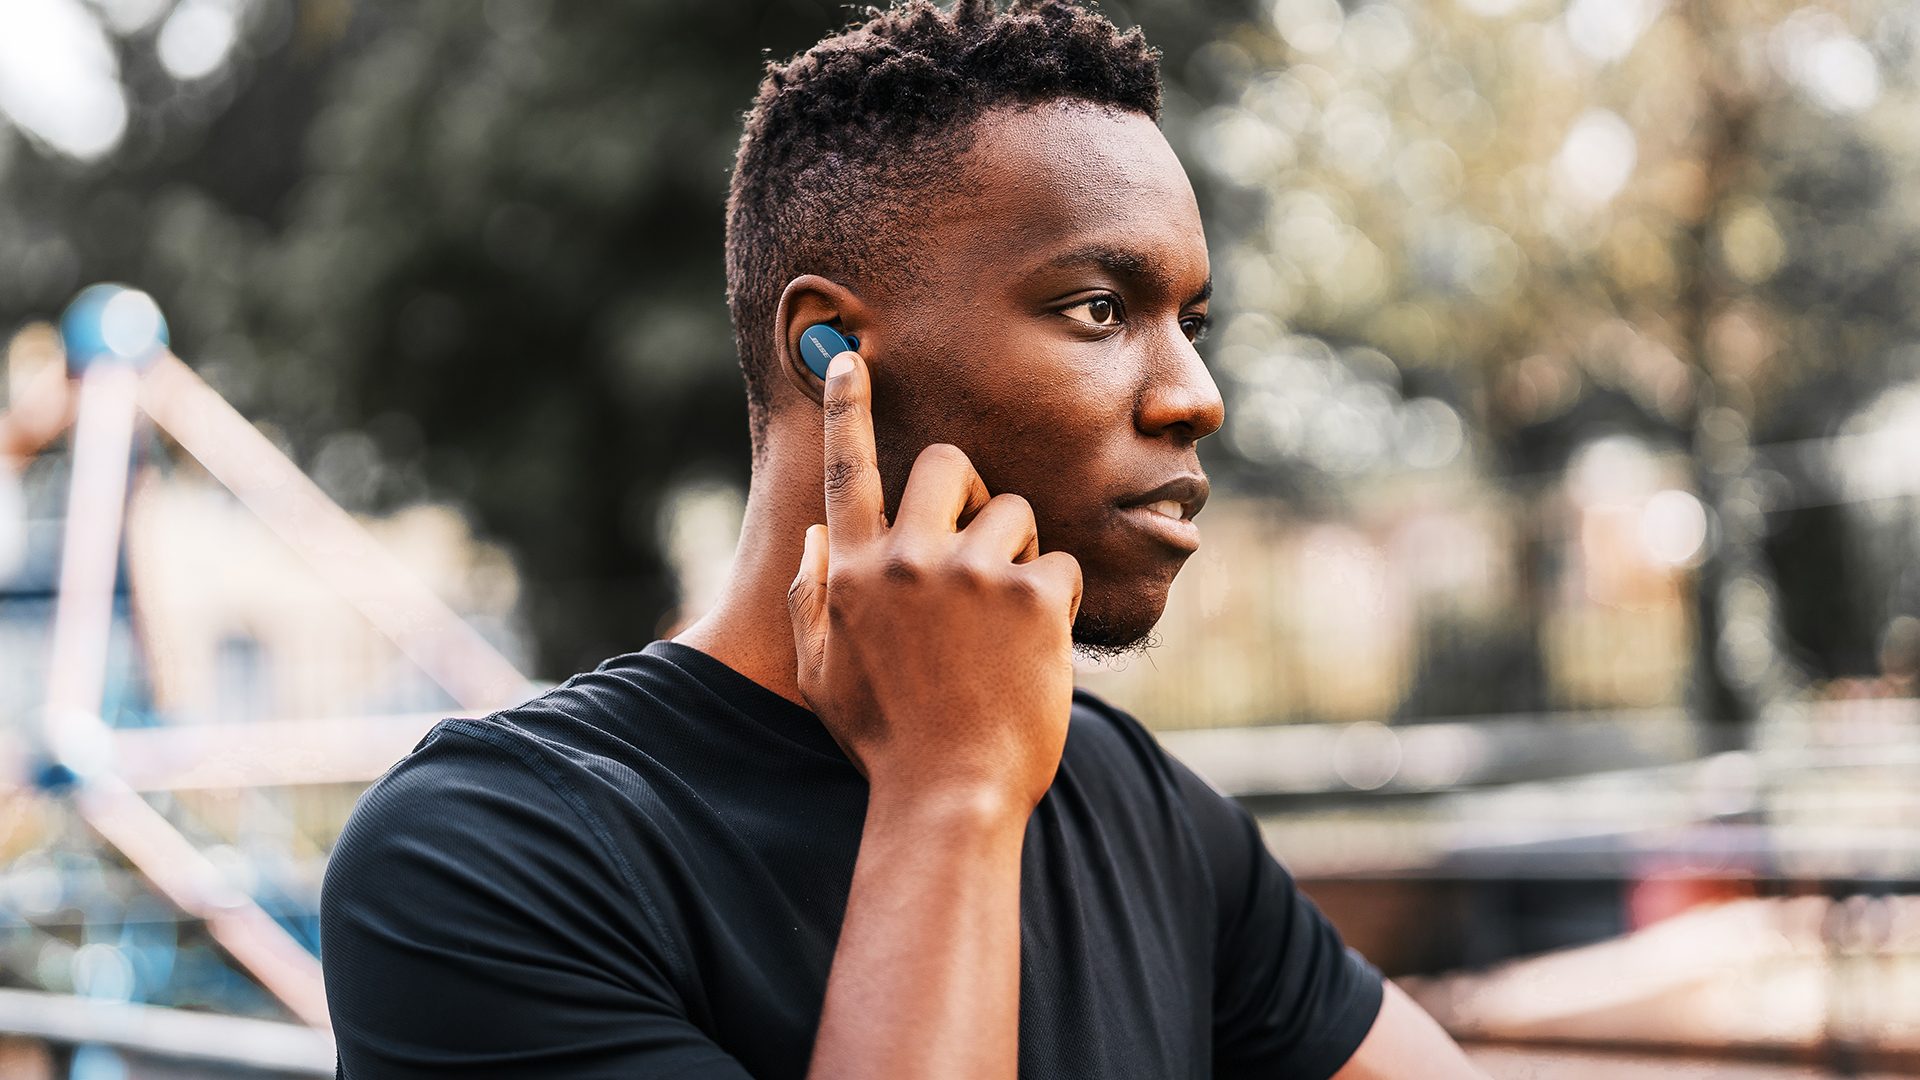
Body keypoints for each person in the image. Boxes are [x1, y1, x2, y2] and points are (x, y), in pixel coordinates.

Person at [320, 2, 1484, 1077]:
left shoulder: (1140, 805)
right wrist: (951, 791)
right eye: (1100, 309)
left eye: (1193, 321)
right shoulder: (484, 858)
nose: (1196, 395)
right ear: (833, 352)